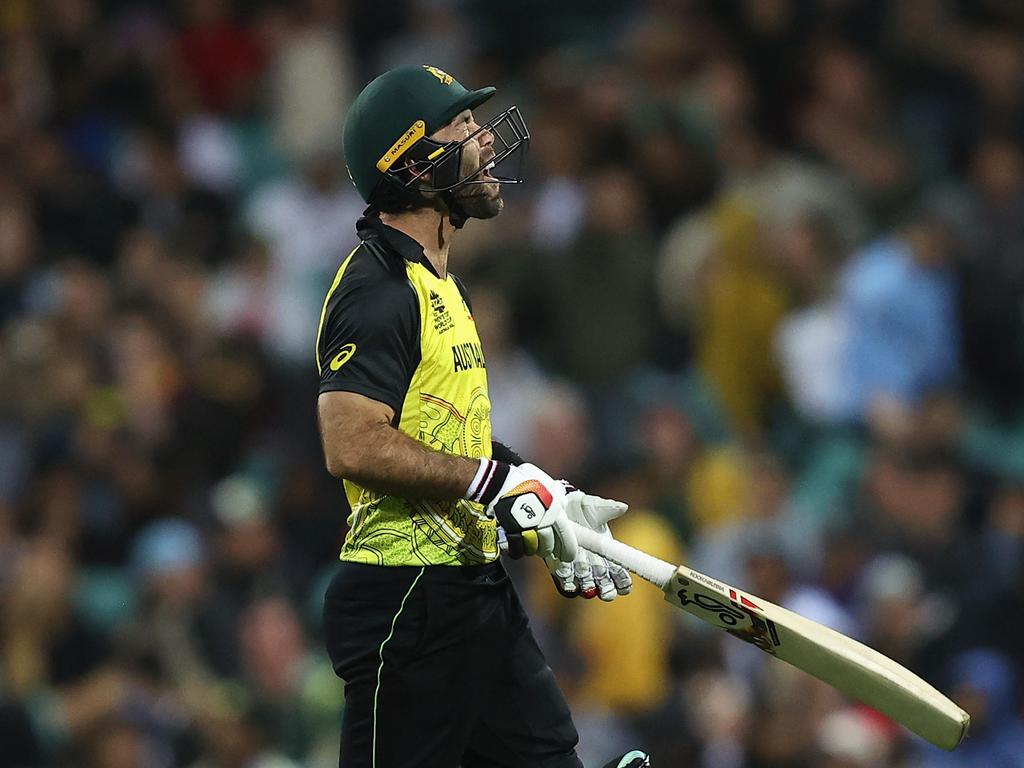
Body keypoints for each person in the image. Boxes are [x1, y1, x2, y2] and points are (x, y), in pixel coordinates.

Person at [316, 65, 649, 768]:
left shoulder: (443, 282)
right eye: (462, 127)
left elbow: (449, 442)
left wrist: (545, 499)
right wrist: (496, 486)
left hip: (472, 585)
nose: (487, 142)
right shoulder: (377, 288)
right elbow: (350, 443)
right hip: (408, 599)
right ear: (411, 162)